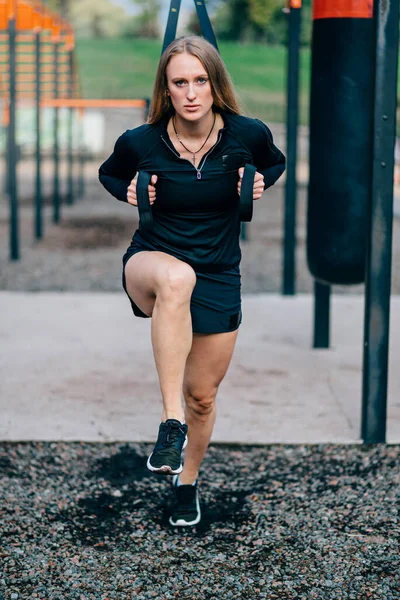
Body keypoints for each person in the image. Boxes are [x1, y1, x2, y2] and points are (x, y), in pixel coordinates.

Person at [99, 35, 286, 527]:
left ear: (214, 83)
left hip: (220, 271)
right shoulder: (141, 141)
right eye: (179, 82)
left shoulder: (247, 134)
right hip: (153, 264)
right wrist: (130, 191)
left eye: (199, 80)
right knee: (177, 277)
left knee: (202, 395)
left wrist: (259, 184)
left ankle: (187, 481)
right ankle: (169, 422)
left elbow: (274, 162)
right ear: (166, 87)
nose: (190, 92)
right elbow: (111, 174)